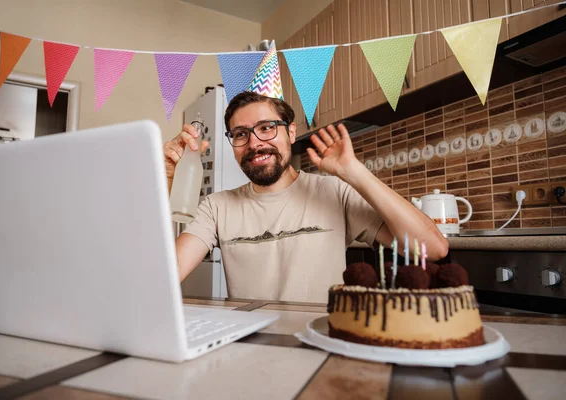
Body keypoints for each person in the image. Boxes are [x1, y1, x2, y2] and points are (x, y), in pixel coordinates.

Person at [163, 91, 448, 302]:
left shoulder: (335, 192)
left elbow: (433, 249)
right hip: (251, 350)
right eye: (241, 134)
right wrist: (164, 180)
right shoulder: (216, 207)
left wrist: (355, 173)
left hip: (325, 344)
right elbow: (164, 278)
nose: (254, 143)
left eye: (266, 128)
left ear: (290, 132)